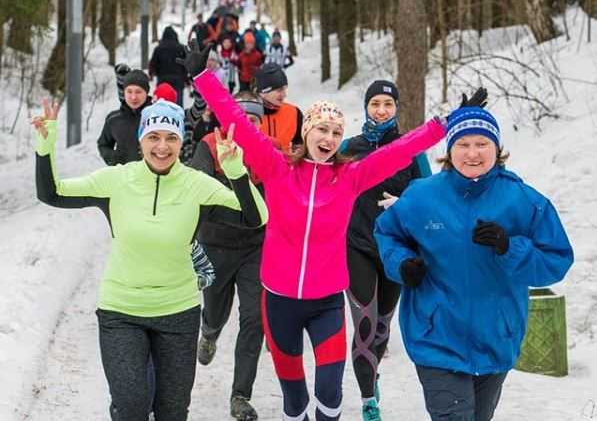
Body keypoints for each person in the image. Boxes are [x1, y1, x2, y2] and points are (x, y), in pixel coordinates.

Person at [180, 45, 452, 420]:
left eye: (336, 132)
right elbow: (238, 123)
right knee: (295, 404)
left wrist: (443, 126)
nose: (329, 137)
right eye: (322, 129)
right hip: (279, 303)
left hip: (326, 304)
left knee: (330, 395)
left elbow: (398, 152)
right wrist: (203, 78)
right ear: (307, 131)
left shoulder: (350, 177)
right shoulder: (277, 169)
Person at [33, 98, 268, 421]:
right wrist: (44, 150)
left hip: (178, 313)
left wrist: (236, 173)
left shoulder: (196, 185)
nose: (162, 146)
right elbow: (52, 193)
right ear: (141, 139)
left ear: (180, 142)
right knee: (131, 406)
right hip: (122, 312)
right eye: (154, 137)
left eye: (171, 138)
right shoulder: (117, 181)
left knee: (172, 412)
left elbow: (255, 217)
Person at [374, 105, 574, 421]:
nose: (472, 153)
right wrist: (402, 264)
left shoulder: (524, 200)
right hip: (436, 337)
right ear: (450, 149)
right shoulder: (422, 196)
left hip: (496, 337)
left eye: (482, 144)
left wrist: (510, 247)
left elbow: (557, 260)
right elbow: (387, 233)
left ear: (497, 148)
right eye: (463, 144)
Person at [339, 80, 432, 421]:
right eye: (375, 103)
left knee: (381, 327)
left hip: (394, 249)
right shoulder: (350, 147)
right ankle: (368, 401)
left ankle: (373, 373)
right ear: (366, 107)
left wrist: (405, 203)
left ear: (396, 109)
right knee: (364, 324)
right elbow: (325, 188)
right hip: (356, 246)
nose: (381, 110)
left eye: (387, 104)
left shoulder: (412, 149)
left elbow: (429, 196)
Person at [191, 92, 267, 421]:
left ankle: (240, 395)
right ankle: (209, 332)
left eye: (254, 121)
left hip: (256, 247)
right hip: (215, 245)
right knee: (216, 311)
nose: (247, 126)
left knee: (254, 318)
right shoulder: (209, 146)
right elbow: (196, 187)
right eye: (241, 119)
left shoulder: (268, 152)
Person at [97, 69, 152, 166]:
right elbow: (103, 144)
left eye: (138, 92)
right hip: (122, 177)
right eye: (129, 91)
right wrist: (112, 157)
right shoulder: (114, 119)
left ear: (146, 92)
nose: (133, 97)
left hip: (153, 177)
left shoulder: (157, 116)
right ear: (124, 92)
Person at [254, 62, 302, 151]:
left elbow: (300, 147)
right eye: (279, 90)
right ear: (263, 92)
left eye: (284, 89)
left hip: (285, 164)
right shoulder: (249, 114)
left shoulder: (294, 113)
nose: (284, 95)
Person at [149, 26, 188, 106]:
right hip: (178, 80)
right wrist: (187, 79)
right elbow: (186, 65)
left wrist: (152, 74)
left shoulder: (158, 49)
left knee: (162, 103)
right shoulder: (181, 48)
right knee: (177, 104)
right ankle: (178, 117)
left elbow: (153, 64)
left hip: (163, 79)